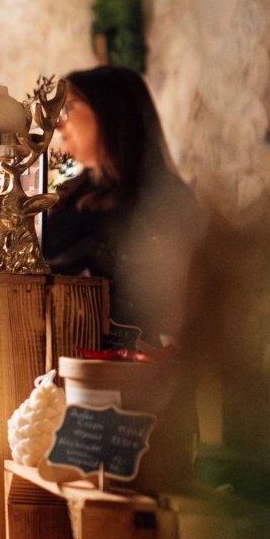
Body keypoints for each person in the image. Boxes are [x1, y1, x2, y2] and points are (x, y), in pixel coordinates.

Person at [45, 65, 203, 341]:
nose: (58, 127)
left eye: (68, 109)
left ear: (110, 112)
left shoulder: (163, 200)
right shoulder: (70, 193)